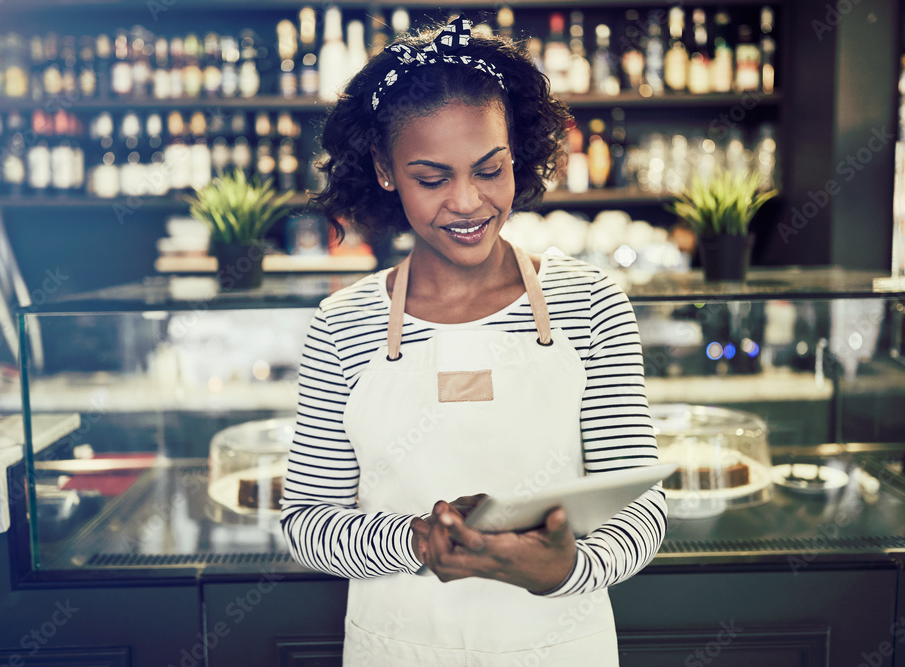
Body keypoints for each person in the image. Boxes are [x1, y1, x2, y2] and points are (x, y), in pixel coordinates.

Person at [281, 17, 667, 666]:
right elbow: (306, 522)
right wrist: (416, 540)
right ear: (384, 170)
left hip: (558, 644)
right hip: (398, 649)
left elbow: (641, 505)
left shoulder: (590, 303)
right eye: (432, 179)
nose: (468, 202)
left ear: (516, 151)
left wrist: (566, 567)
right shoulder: (342, 325)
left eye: (490, 169)